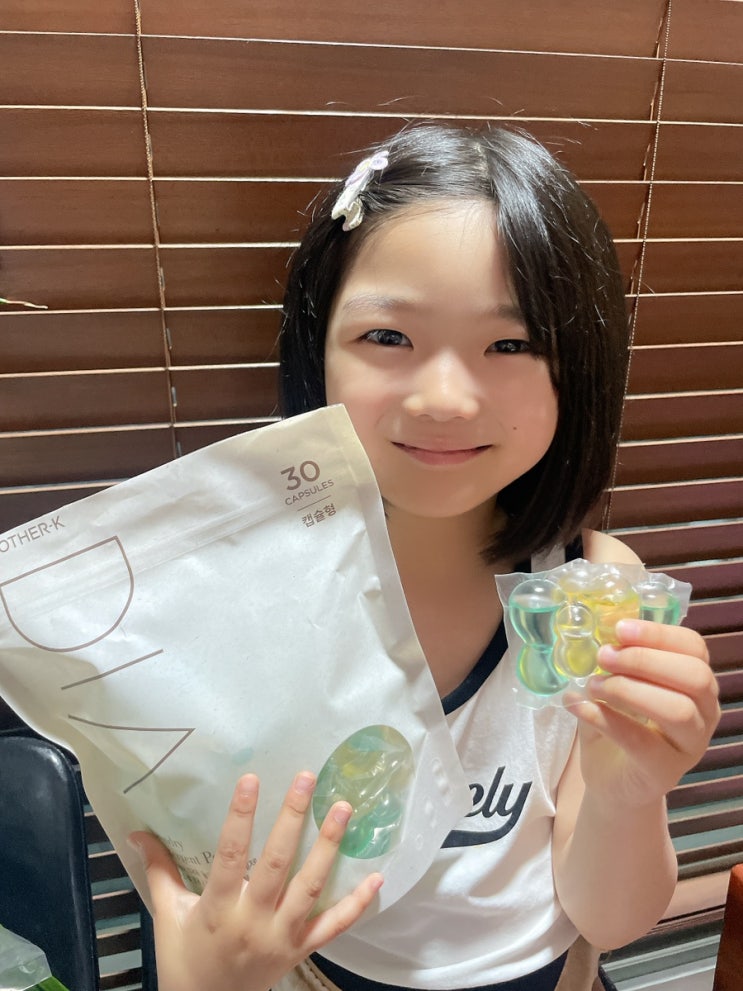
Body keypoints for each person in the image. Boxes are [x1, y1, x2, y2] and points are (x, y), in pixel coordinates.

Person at [128, 123, 720, 991]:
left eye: (510, 344)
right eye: (388, 337)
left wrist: (628, 792)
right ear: (316, 346)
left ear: (580, 370)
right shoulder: (255, 591)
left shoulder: (589, 591)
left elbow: (610, 917)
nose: (444, 399)